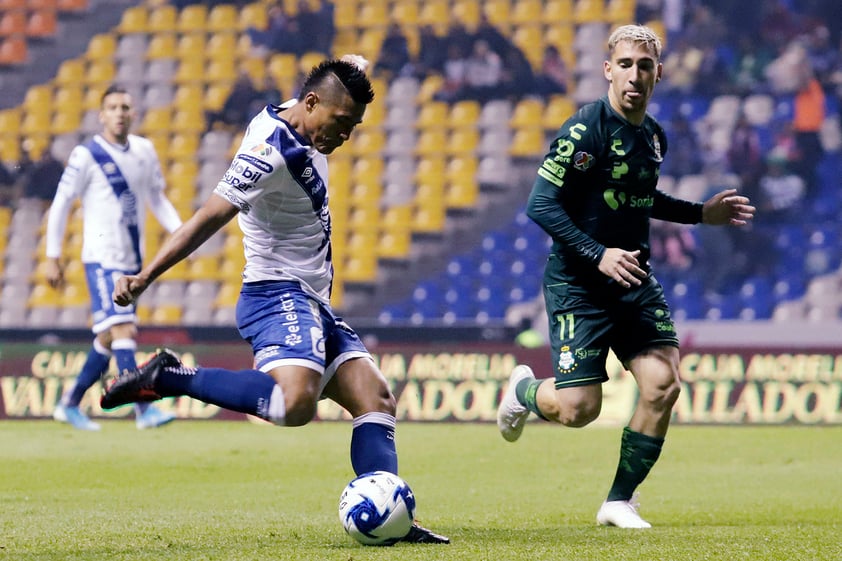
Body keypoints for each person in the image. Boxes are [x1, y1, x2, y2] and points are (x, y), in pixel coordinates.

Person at [100, 56, 449, 545]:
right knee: (295, 403)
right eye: (342, 123)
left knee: (376, 398)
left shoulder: (303, 111)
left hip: (311, 298)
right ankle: (169, 376)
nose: (345, 136)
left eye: (353, 127)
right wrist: (144, 277)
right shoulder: (268, 152)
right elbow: (206, 218)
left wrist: (353, 66)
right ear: (310, 104)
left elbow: (334, 77)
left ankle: (390, 517)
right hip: (274, 291)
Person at [496, 25, 755, 528]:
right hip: (579, 284)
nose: (635, 74)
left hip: (633, 279)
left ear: (658, 73)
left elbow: (642, 197)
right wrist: (597, 254)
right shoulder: (584, 130)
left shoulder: (653, 136)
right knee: (578, 409)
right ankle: (525, 391)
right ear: (608, 70)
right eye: (626, 64)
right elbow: (540, 204)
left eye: (645, 65)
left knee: (662, 385)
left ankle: (619, 500)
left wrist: (702, 213)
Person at [46, 84, 182, 431]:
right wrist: (53, 255)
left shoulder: (144, 151)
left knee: (108, 336)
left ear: (133, 113)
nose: (120, 112)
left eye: (125, 106)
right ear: (101, 115)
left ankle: (69, 403)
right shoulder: (86, 154)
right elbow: (61, 204)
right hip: (101, 258)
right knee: (123, 327)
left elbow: (157, 198)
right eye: (113, 107)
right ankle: (142, 409)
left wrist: (182, 232)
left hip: (132, 259)